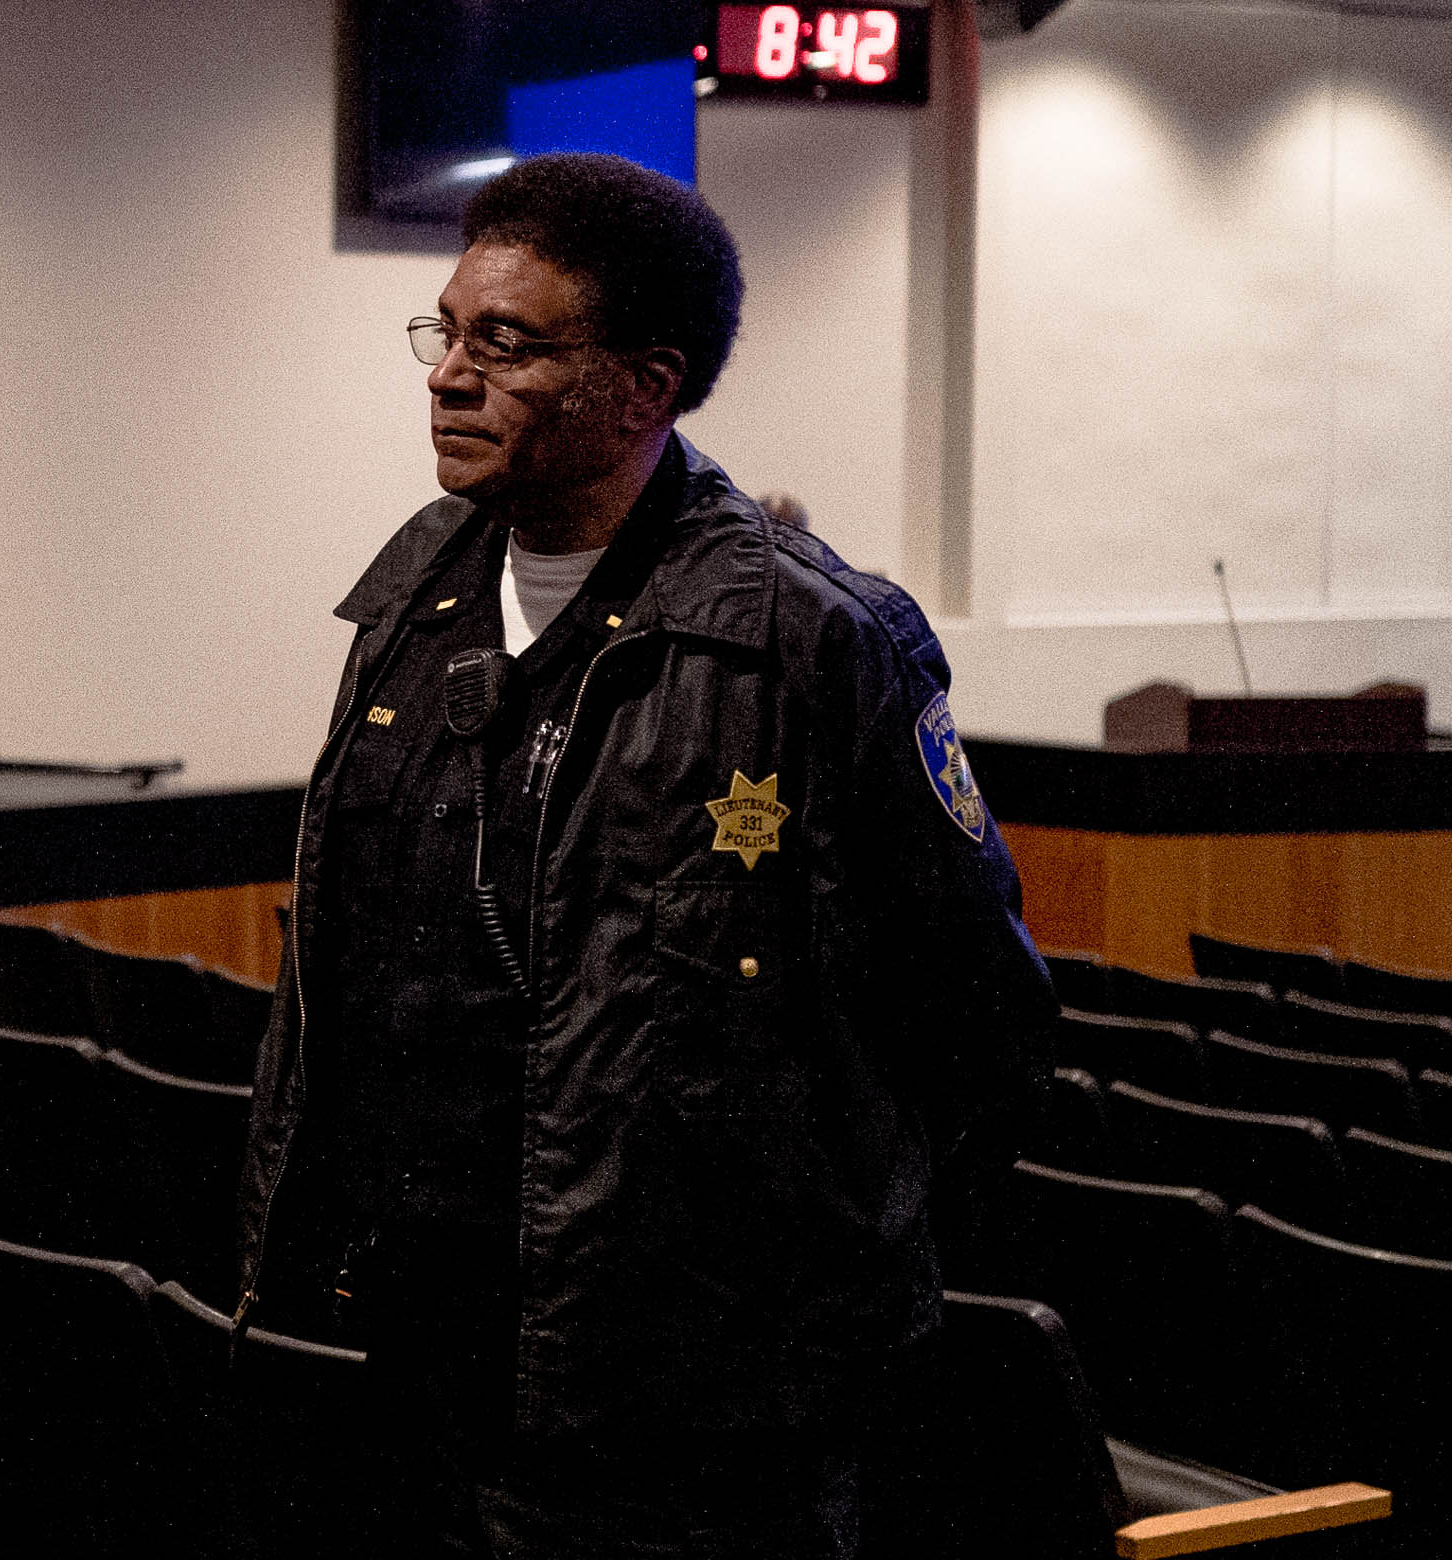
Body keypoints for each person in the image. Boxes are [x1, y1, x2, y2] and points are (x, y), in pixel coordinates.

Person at [233, 153, 1055, 1557]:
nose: (449, 376)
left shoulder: (812, 643)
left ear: (647, 385)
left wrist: (789, 1269)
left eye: (510, 345)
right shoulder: (410, 600)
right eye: (448, 333)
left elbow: (976, 1013)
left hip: (694, 1413)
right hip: (411, 1357)